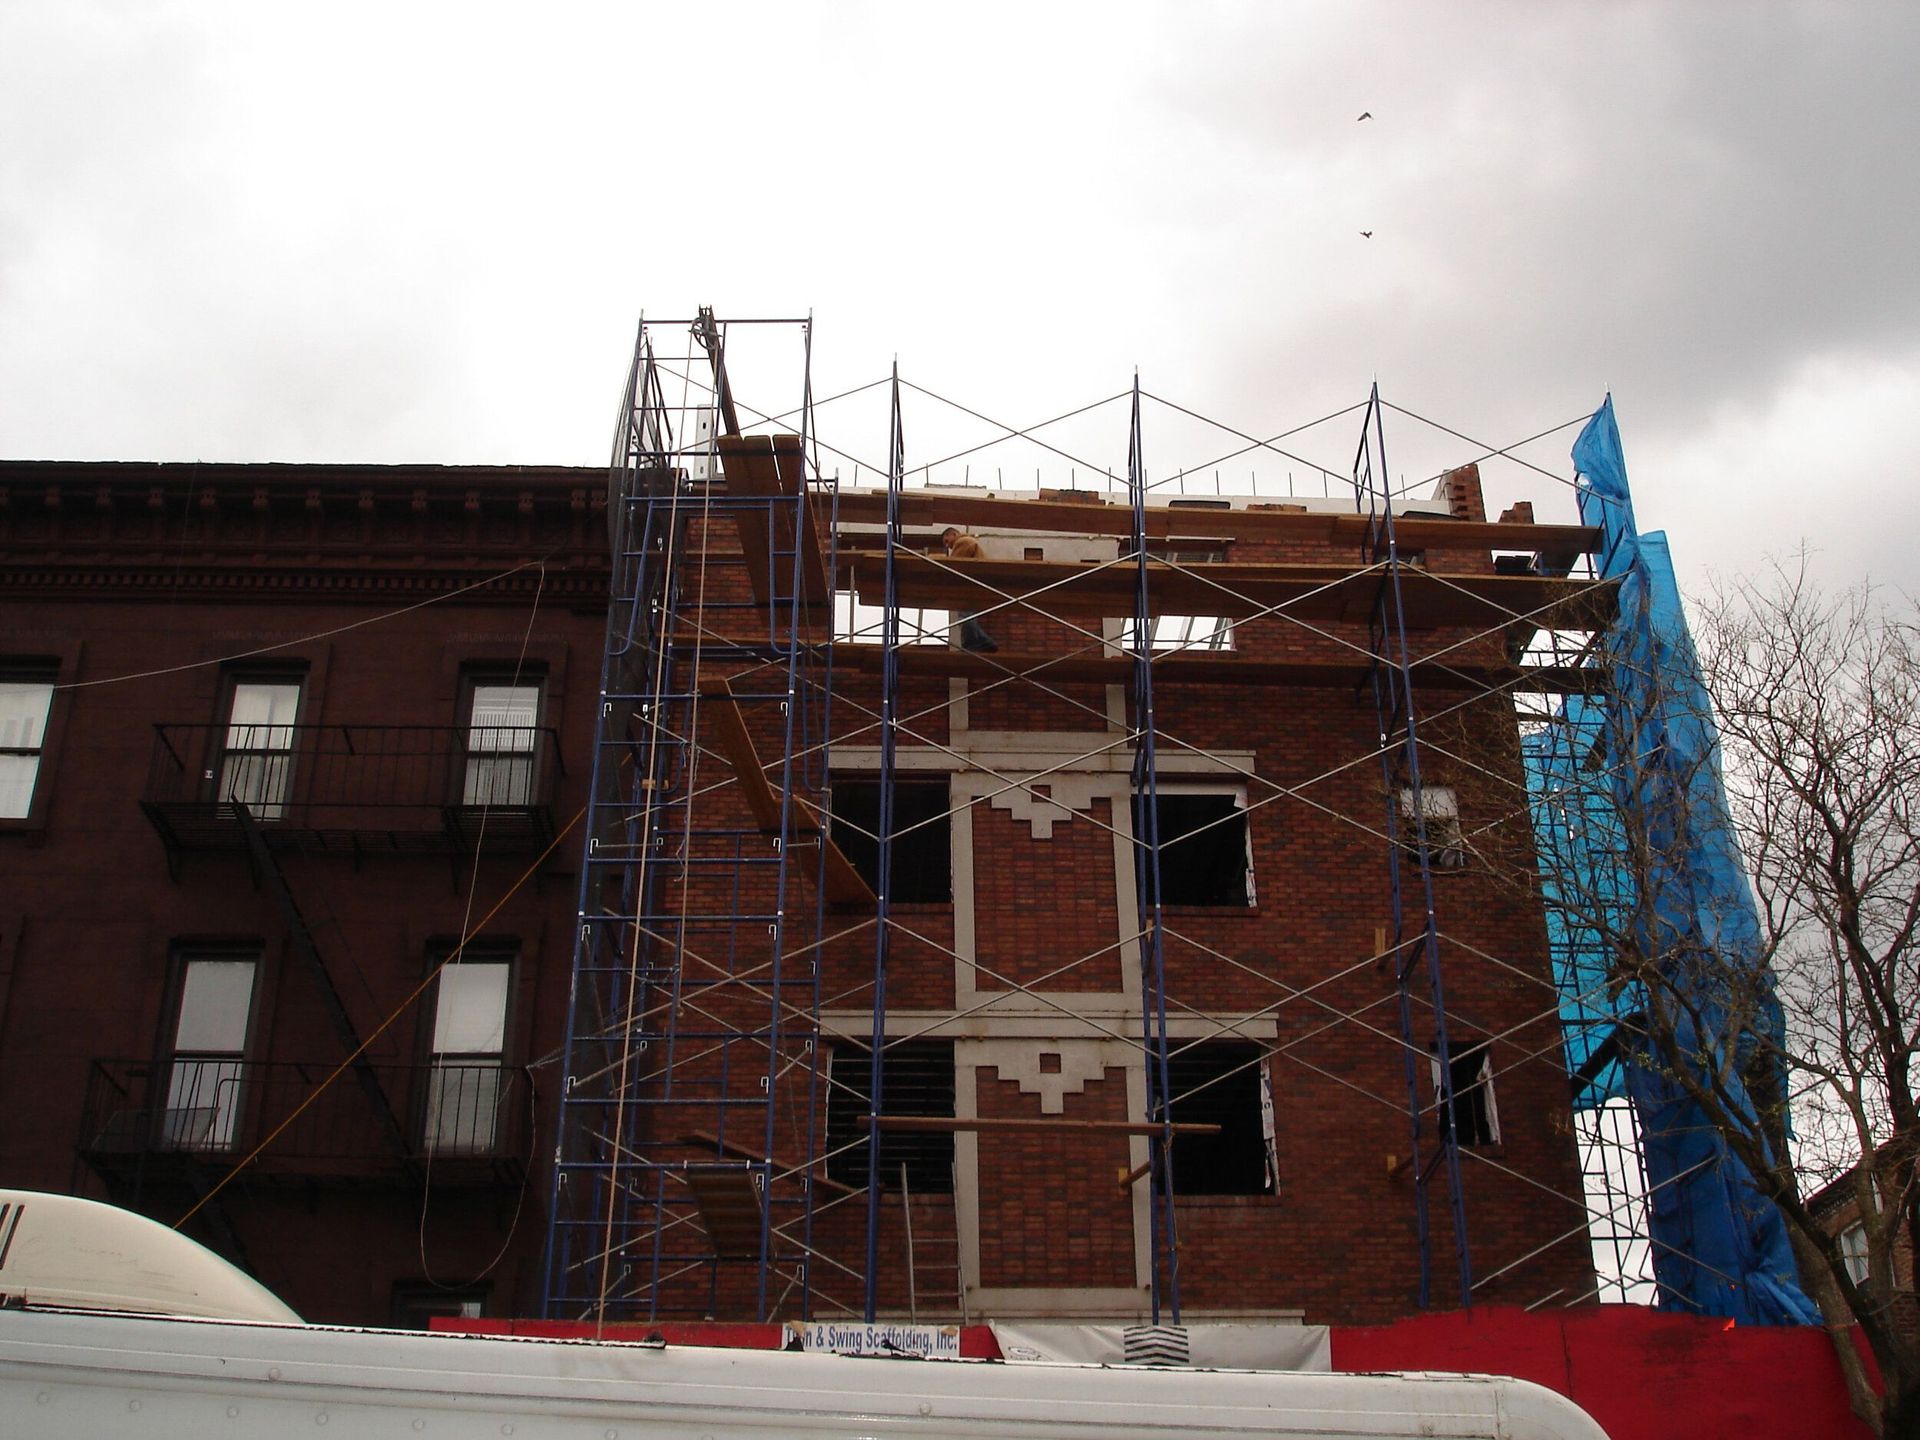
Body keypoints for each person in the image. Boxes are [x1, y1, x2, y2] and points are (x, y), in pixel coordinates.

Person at [940, 526, 998, 652]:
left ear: (954, 534)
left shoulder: (963, 542)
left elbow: (954, 565)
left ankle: (972, 644)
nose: (947, 546)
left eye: (947, 541)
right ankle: (982, 642)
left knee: (965, 616)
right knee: (967, 615)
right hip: (975, 583)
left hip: (970, 585)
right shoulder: (969, 542)